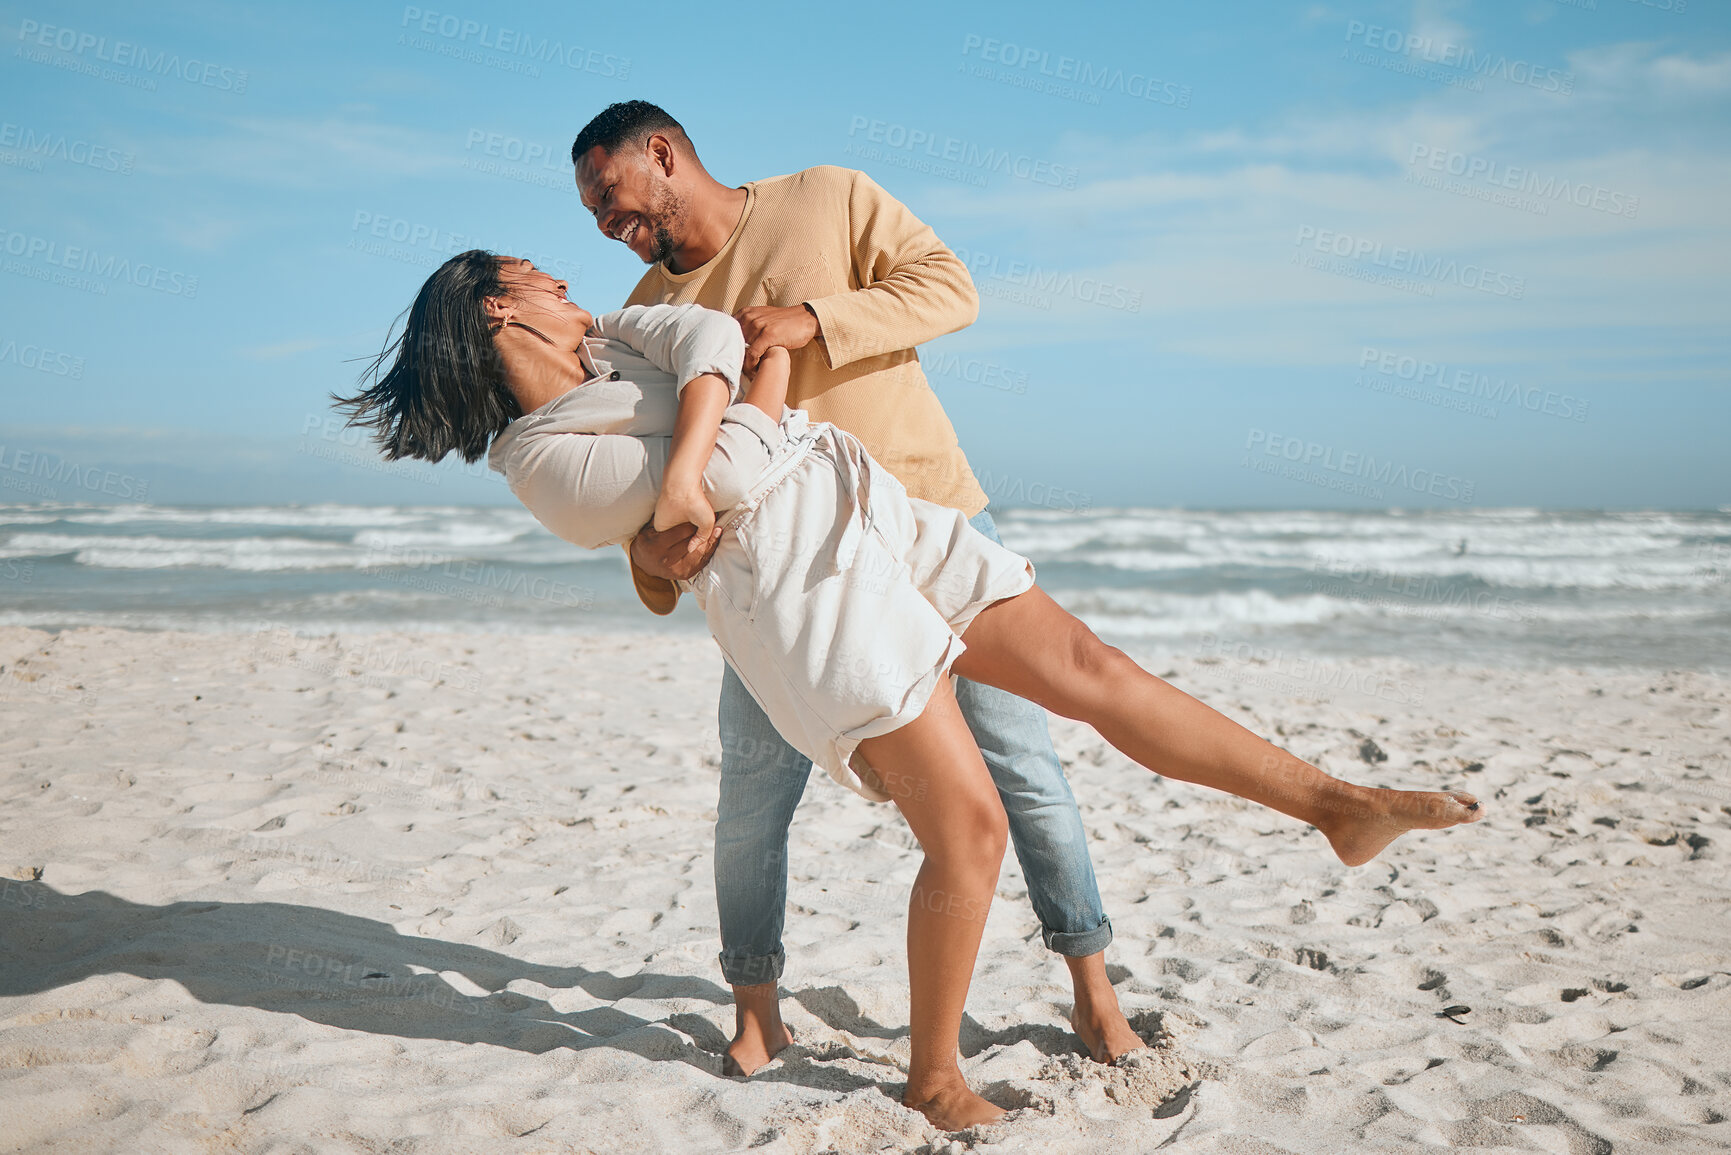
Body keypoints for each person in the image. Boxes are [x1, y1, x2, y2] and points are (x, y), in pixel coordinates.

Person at [335, 251, 1487, 1131]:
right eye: (539, 271)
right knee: (970, 827)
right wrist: (736, 412)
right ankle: (934, 1078)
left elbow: (702, 343)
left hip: (870, 508)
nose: (571, 273)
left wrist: (723, 416)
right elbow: (727, 454)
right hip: (801, 596)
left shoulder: (611, 346)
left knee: (1095, 673)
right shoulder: (544, 458)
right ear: (497, 304)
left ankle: (1332, 804)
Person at [568, 100, 1144, 1076]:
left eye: (613, 199)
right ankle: (758, 1012)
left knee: (1025, 768)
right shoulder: (647, 321)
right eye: (594, 215)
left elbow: (950, 289)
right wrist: (649, 564)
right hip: (781, 583)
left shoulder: (827, 199)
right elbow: (651, 483)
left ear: (662, 154)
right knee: (753, 797)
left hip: (936, 525)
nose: (606, 226)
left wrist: (814, 321)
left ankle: (1093, 991)